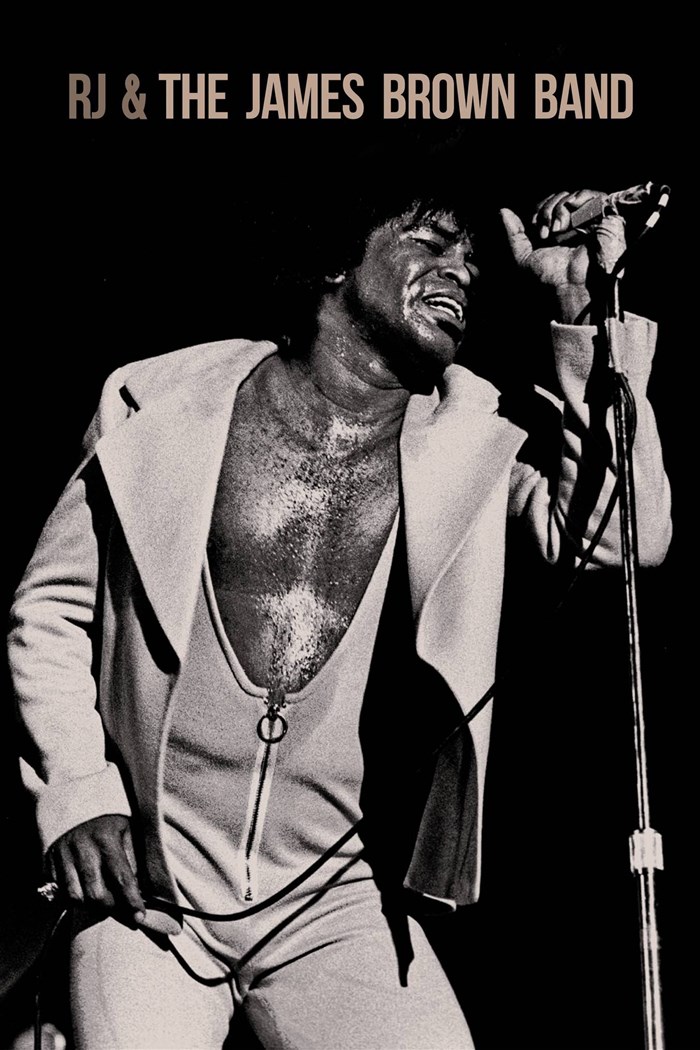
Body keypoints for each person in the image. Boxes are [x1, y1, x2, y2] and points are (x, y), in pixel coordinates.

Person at [8, 163, 671, 1049]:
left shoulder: (469, 451)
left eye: (472, 264)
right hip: (153, 886)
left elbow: (623, 536)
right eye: (430, 243)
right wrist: (78, 795)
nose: (461, 272)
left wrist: (581, 315)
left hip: (332, 893)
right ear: (335, 263)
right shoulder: (160, 404)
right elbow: (51, 610)